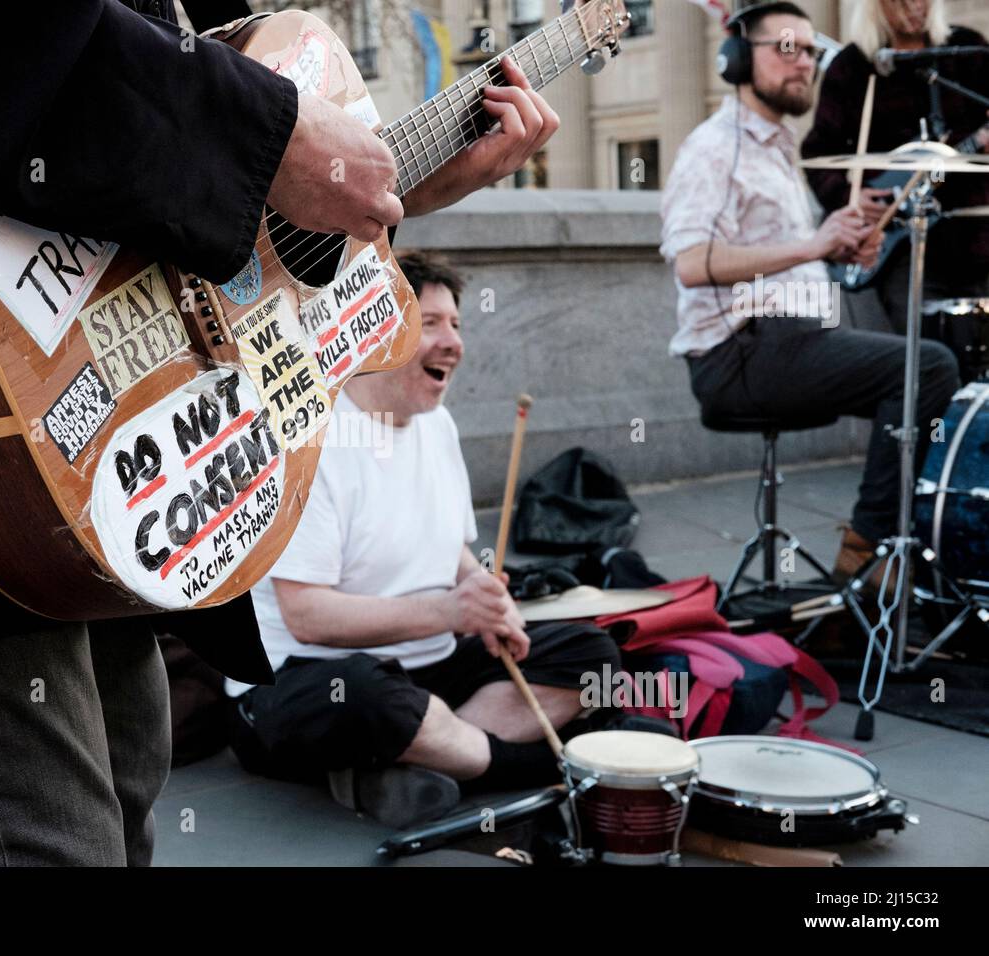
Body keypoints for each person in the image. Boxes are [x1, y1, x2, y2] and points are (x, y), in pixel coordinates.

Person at [0, 0, 558, 865]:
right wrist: (272, 139)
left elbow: (180, 139)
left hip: (106, 426)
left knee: (121, 806)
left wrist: (368, 199)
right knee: (49, 846)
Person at [226, 252, 626, 828]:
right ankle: (517, 762)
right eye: (431, 323)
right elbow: (308, 618)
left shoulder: (438, 425)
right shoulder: (312, 439)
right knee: (365, 694)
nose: (453, 343)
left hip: (425, 667)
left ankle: (424, 752)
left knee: (591, 655)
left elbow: (453, 552)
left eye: (457, 325)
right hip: (307, 677)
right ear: (374, 327)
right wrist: (449, 611)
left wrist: (486, 597)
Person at [660, 1, 960, 587]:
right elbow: (693, 265)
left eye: (811, 52)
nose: (805, 66)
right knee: (927, 366)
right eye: (787, 50)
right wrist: (812, 246)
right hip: (737, 352)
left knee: (921, 366)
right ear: (738, 59)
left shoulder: (775, 147)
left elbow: (796, 259)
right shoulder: (716, 146)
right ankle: (869, 555)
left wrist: (843, 250)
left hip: (791, 338)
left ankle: (896, 549)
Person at [802, 0, 989, 333]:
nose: (915, 6)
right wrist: (850, 197)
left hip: (977, 236)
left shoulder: (969, 51)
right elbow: (818, 153)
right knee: (925, 358)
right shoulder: (853, 68)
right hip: (903, 248)